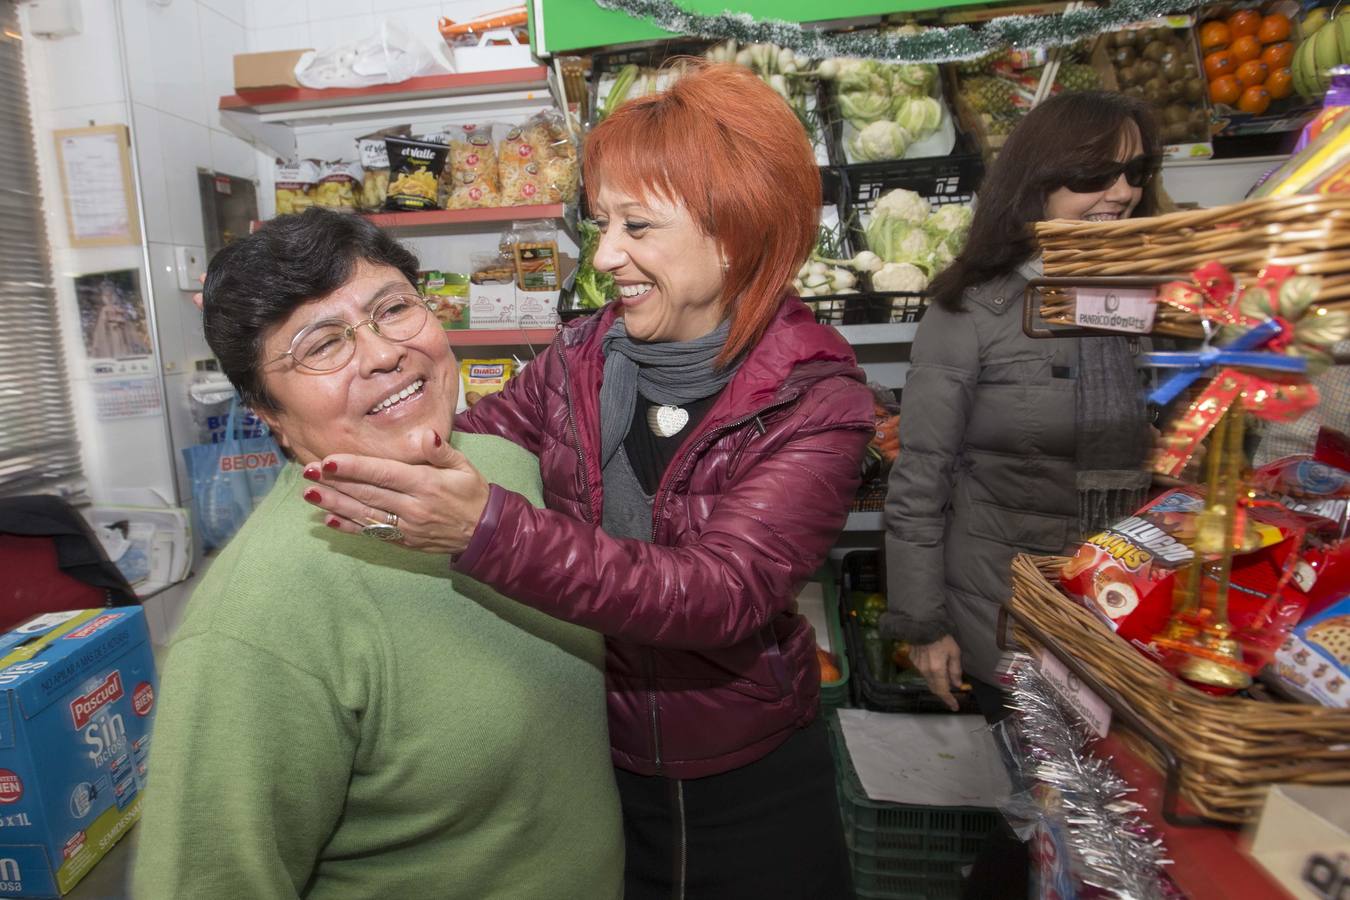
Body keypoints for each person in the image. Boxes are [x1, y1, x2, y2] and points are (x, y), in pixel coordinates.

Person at [302, 62, 870, 898]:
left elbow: (722, 594)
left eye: (638, 226)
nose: (606, 256)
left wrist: (486, 531)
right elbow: (477, 444)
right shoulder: (581, 355)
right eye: (602, 222)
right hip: (589, 757)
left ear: (738, 231)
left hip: (741, 771)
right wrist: (351, 414)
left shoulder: (817, 398)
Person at [132, 209, 624, 900]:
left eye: (392, 309)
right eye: (322, 345)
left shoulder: (507, 471)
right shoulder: (259, 619)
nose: (382, 353)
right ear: (265, 409)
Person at [882, 90, 1162, 722]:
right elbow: (920, 479)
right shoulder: (973, 312)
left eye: (1135, 173)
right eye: (1095, 174)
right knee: (1040, 810)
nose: (1120, 192)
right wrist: (923, 625)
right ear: (1037, 181)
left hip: (1130, 615)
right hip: (1011, 619)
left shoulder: (1159, 305)